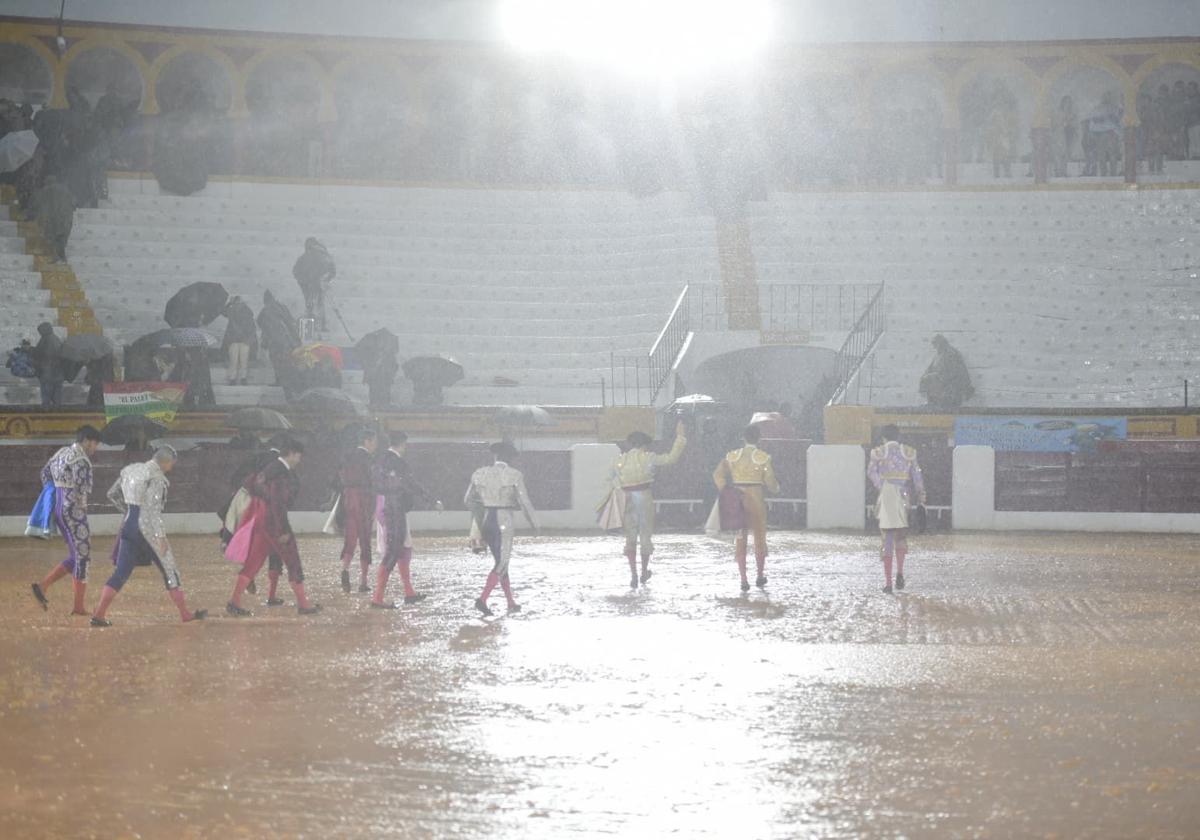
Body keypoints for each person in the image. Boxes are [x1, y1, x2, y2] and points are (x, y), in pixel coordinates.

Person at [92, 446, 207, 626]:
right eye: (171, 464)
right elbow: (153, 513)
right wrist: (160, 537)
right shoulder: (158, 479)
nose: (171, 468)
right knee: (170, 570)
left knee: (120, 573)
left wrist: (129, 512)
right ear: (166, 462)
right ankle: (185, 613)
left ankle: (99, 614)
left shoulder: (130, 469)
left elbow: (112, 494)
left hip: (128, 524)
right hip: (148, 531)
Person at [225, 439, 321, 616]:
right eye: (298, 456)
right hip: (274, 522)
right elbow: (278, 503)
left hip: (261, 519)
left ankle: (235, 600)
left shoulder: (268, 469)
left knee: (254, 562)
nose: (299, 460)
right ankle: (303, 603)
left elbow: (254, 488)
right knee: (293, 561)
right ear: (291, 453)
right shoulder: (281, 473)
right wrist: (283, 530)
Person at [30, 425, 102, 616]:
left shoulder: (62, 452)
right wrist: (81, 506)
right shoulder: (82, 460)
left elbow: (45, 473)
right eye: (95, 444)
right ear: (86, 440)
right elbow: (80, 489)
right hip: (74, 511)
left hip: (59, 509)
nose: (95, 448)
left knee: (76, 555)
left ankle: (42, 586)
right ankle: (78, 607)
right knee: (83, 556)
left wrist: (54, 493)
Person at [607, 421, 687, 588]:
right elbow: (671, 459)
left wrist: (619, 491)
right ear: (644, 445)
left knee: (630, 536)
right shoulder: (648, 457)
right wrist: (680, 437)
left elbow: (610, 479)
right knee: (645, 535)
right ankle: (643, 572)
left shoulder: (619, 460)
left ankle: (634, 574)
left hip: (626, 496)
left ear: (630, 444)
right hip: (643, 496)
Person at [370, 431, 443, 609]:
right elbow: (410, 484)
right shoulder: (398, 463)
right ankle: (377, 598)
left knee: (403, 548)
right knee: (394, 550)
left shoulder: (380, 460)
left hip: (387, 507)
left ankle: (409, 592)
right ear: (402, 444)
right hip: (395, 509)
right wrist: (431, 500)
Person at [464, 442, 538, 616]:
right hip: (503, 520)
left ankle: (511, 602)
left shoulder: (480, 473)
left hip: (485, 519)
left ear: (495, 456)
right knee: (502, 562)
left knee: (501, 561)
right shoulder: (515, 475)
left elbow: (468, 499)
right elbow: (525, 503)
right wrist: (534, 524)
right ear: (511, 458)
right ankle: (482, 599)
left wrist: (478, 517)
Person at [712, 425, 781, 592]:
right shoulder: (763, 457)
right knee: (759, 538)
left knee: (740, 539)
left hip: (737, 498)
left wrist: (725, 489)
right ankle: (759, 575)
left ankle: (743, 579)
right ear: (759, 438)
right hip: (756, 498)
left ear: (743, 438)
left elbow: (717, 475)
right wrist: (776, 489)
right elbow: (770, 482)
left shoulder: (732, 456)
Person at [867, 425, 926, 594]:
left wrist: (882, 486)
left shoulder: (879, 452)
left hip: (887, 495)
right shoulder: (908, 452)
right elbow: (917, 476)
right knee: (900, 536)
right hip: (903, 495)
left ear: (884, 438)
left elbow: (871, 472)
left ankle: (888, 583)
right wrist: (922, 496)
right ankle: (900, 572)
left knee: (887, 537)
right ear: (898, 436)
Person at [335, 428, 379, 594]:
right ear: (367, 441)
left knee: (350, 538)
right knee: (365, 540)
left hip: (348, 500)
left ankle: (345, 568)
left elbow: (337, 479)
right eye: (374, 442)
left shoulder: (347, 457)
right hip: (364, 500)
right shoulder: (369, 460)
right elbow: (373, 482)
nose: (375, 445)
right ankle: (363, 581)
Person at [918, 334, 974, 410]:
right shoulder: (939, 355)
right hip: (942, 384)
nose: (934, 347)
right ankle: (933, 402)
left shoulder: (951, 353)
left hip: (952, 388)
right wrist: (925, 377)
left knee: (931, 378)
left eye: (935, 344)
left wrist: (936, 376)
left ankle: (939, 401)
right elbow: (929, 369)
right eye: (933, 344)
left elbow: (953, 373)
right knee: (928, 378)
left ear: (941, 343)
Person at [292, 237, 336, 334]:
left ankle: (315, 328)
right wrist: (325, 280)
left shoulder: (308, 257)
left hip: (313, 285)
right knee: (317, 305)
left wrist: (305, 283)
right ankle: (320, 327)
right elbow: (332, 271)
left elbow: (296, 271)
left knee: (312, 305)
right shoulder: (323, 255)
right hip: (313, 285)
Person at [32, 174, 75, 263]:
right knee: (62, 237)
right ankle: (62, 256)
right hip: (66, 218)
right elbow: (74, 204)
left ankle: (57, 256)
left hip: (53, 219)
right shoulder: (65, 189)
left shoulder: (45, 190)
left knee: (53, 237)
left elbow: (38, 205)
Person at [221, 295, 257, 386]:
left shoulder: (232, 310)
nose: (238, 305)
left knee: (234, 360)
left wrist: (230, 303)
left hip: (234, 339)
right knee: (242, 360)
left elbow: (222, 312)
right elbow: (252, 327)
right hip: (243, 339)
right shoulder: (247, 311)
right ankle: (242, 379)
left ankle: (233, 379)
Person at [33, 322, 64, 407]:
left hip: (48, 370)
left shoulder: (46, 340)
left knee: (47, 391)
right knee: (56, 391)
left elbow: (42, 354)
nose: (40, 333)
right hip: (57, 370)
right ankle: (56, 407)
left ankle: (47, 408)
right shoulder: (56, 339)